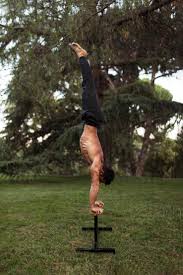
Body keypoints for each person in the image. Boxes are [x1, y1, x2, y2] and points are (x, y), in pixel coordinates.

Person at [69, 42, 115, 216]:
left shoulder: (99, 162)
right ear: (103, 173)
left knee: (87, 87)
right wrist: (92, 206)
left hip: (92, 119)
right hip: (93, 117)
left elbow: (96, 184)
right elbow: (94, 184)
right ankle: (82, 55)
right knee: (88, 85)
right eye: (101, 179)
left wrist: (96, 200)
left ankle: (83, 57)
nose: (98, 180)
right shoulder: (97, 163)